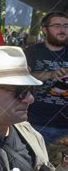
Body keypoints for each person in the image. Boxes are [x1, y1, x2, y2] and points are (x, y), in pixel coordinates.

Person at [24, 11, 67, 144]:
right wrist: (50, 74)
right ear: (44, 29)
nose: (62, 30)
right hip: (37, 123)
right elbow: (21, 78)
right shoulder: (32, 52)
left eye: (66, 26)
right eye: (57, 26)